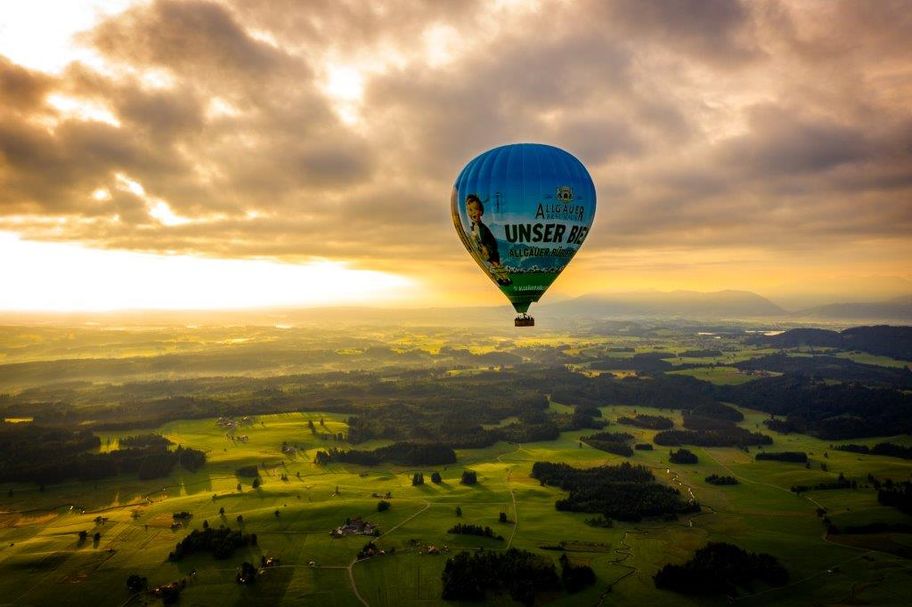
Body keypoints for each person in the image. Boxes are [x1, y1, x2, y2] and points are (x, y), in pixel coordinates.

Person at [465, 194, 511, 285]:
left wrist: (486, 248)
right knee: (492, 266)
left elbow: (489, 240)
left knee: (496, 264)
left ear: (481, 212)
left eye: (475, 210)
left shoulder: (483, 229)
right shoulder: (473, 228)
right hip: (483, 251)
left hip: (490, 250)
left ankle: (506, 279)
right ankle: (500, 279)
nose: (472, 213)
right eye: (470, 210)